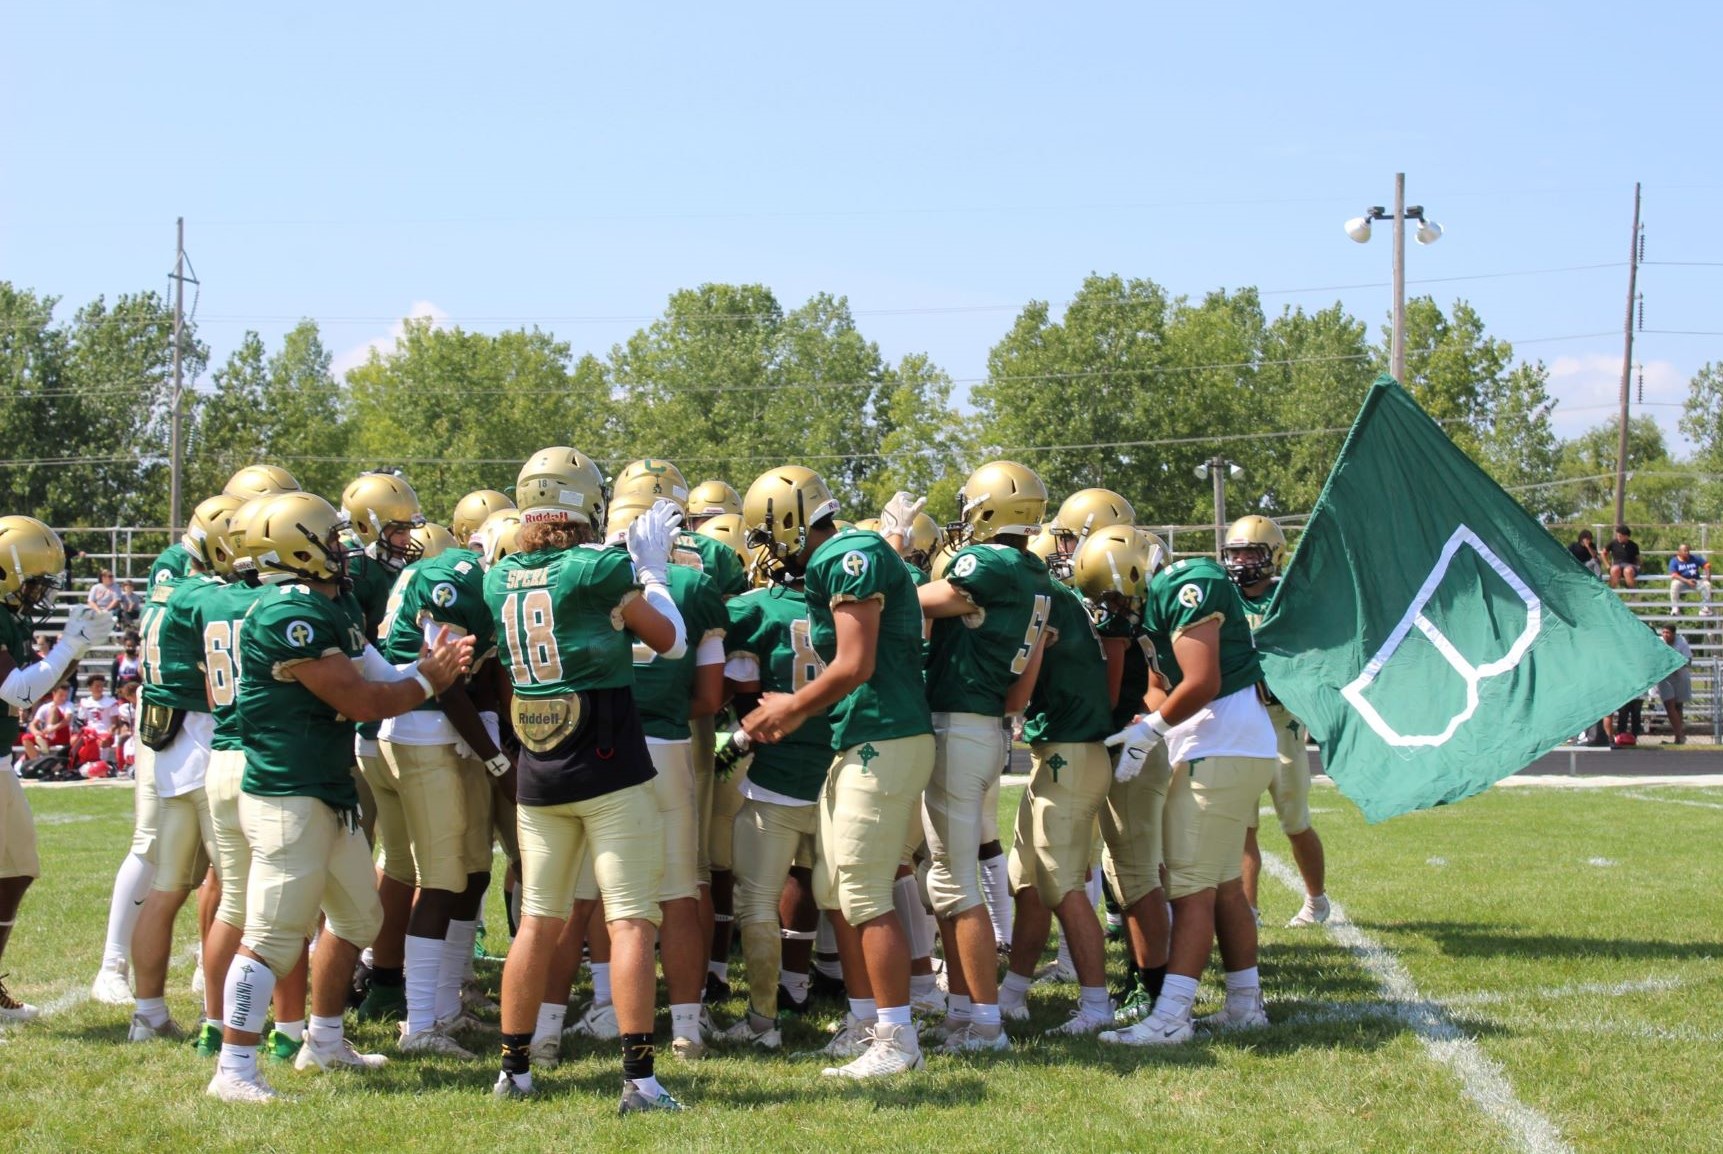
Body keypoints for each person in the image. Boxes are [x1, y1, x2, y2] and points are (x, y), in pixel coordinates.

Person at [208, 491, 473, 1104]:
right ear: (296, 548)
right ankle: (234, 1067)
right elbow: (360, 702)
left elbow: (376, 671)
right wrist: (429, 679)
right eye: (328, 539)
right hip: (286, 795)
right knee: (273, 935)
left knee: (360, 917)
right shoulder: (285, 613)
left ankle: (324, 1041)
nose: (341, 548)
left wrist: (426, 666)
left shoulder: (334, 600)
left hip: (328, 790)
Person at [482, 446, 689, 1113]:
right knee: (629, 921)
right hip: (606, 763)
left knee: (537, 922)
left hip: (538, 770)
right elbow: (670, 640)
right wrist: (652, 570)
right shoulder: (596, 567)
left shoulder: (500, 576)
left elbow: (580, 634)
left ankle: (513, 1071)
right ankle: (640, 1080)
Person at [740, 466, 935, 1080]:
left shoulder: (844, 556)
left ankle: (897, 1035)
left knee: (865, 891)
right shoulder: (854, 551)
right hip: (863, 735)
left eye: (771, 533)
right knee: (835, 888)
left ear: (793, 520)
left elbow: (855, 661)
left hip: (885, 734)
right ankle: (864, 1020)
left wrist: (790, 707)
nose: (770, 549)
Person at [1099, 550, 1279, 1047]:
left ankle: (1172, 1015)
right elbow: (1168, 687)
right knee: (1222, 885)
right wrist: (1147, 722)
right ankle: (1244, 1005)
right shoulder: (1158, 603)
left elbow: (1203, 681)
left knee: (1190, 887)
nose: (1114, 606)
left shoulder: (1186, 584)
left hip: (1221, 748)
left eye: (1115, 594)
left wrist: (1153, 731)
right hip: (1227, 746)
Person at [915, 464, 1053, 1054]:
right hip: (986, 723)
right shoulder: (1033, 571)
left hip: (961, 723)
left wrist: (895, 555)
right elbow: (1024, 679)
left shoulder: (989, 566)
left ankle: (986, 1023)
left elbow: (913, 601)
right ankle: (962, 1010)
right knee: (947, 874)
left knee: (952, 878)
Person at [372, 516, 510, 1058]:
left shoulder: (481, 585)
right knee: (442, 878)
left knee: (473, 869)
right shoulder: (454, 578)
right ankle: (420, 1022)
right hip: (423, 732)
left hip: (444, 734)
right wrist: (496, 759)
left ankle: (447, 1006)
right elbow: (445, 678)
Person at [0, 516, 115, 1022]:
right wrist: (73, 644)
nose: (41, 592)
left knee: (17, 869)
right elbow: (16, 691)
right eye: (35, 581)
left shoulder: (12, 615)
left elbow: (32, 684)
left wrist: (76, 648)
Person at [1223, 516, 1330, 929]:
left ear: (1274, 556)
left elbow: (1310, 657)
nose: (1242, 561)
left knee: (1294, 820)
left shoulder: (1287, 600)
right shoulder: (1224, 597)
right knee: (1243, 825)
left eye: (1252, 552)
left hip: (1279, 721)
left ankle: (1316, 900)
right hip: (1238, 721)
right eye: (1235, 552)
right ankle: (1248, 911)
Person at [1657, 625, 1694, 744]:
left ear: (1674, 634)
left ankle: (1678, 737)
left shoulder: (1681, 641)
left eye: (1667, 632)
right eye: (1663, 632)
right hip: (1665, 677)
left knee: (1678, 707)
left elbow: (1688, 660)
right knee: (1669, 705)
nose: (1665, 635)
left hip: (1680, 676)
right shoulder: (1659, 642)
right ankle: (1680, 734)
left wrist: (1674, 664)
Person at [22, 684, 72, 761]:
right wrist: (36, 733)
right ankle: (36, 762)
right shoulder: (45, 707)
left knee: (54, 709)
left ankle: (45, 739)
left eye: (66, 695)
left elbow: (67, 720)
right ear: (54, 694)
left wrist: (51, 729)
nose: (64, 698)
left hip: (63, 735)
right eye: (61, 695)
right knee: (25, 738)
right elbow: (33, 724)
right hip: (47, 736)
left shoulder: (69, 705)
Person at [1667, 543, 1712, 615]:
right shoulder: (1674, 561)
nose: (1687, 553)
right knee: (1674, 583)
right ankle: (1675, 608)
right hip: (1682, 582)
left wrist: (1708, 577)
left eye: (1688, 551)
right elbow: (1674, 575)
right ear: (1679, 552)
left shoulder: (1694, 558)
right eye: (1684, 551)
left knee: (1707, 584)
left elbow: (1707, 565)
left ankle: (1705, 608)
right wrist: (1687, 581)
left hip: (1695, 581)